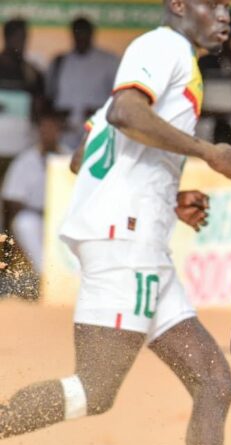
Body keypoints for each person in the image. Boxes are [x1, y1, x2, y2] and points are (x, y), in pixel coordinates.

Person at [0, 1, 231, 445]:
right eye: (215, 3)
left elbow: (82, 157)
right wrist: (207, 152)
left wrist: (166, 199)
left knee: (215, 382)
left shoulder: (162, 55)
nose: (225, 15)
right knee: (94, 390)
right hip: (126, 244)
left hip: (137, 240)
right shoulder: (163, 46)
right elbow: (124, 114)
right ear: (179, 5)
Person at [1, 106, 70, 275]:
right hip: (35, 216)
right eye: (44, 128)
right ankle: (46, 276)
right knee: (24, 223)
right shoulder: (25, 160)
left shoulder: (70, 157)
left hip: (64, 218)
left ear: (59, 131)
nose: (48, 132)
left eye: (52, 128)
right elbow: (12, 199)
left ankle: (68, 280)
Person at [46, 17, 120, 151]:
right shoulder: (59, 62)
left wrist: (98, 109)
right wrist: (59, 115)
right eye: (77, 33)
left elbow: (118, 98)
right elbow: (48, 99)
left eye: (84, 32)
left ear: (92, 34)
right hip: (65, 136)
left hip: (97, 133)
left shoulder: (108, 61)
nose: (80, 37)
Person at [0, 19, 45, 197]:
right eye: (18, 37)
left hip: (21, 146)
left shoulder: (33, 73)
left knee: (12, 197)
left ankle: (6, 227)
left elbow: (40, 109)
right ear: (7, 37)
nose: (22, 42)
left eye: (25, 38)